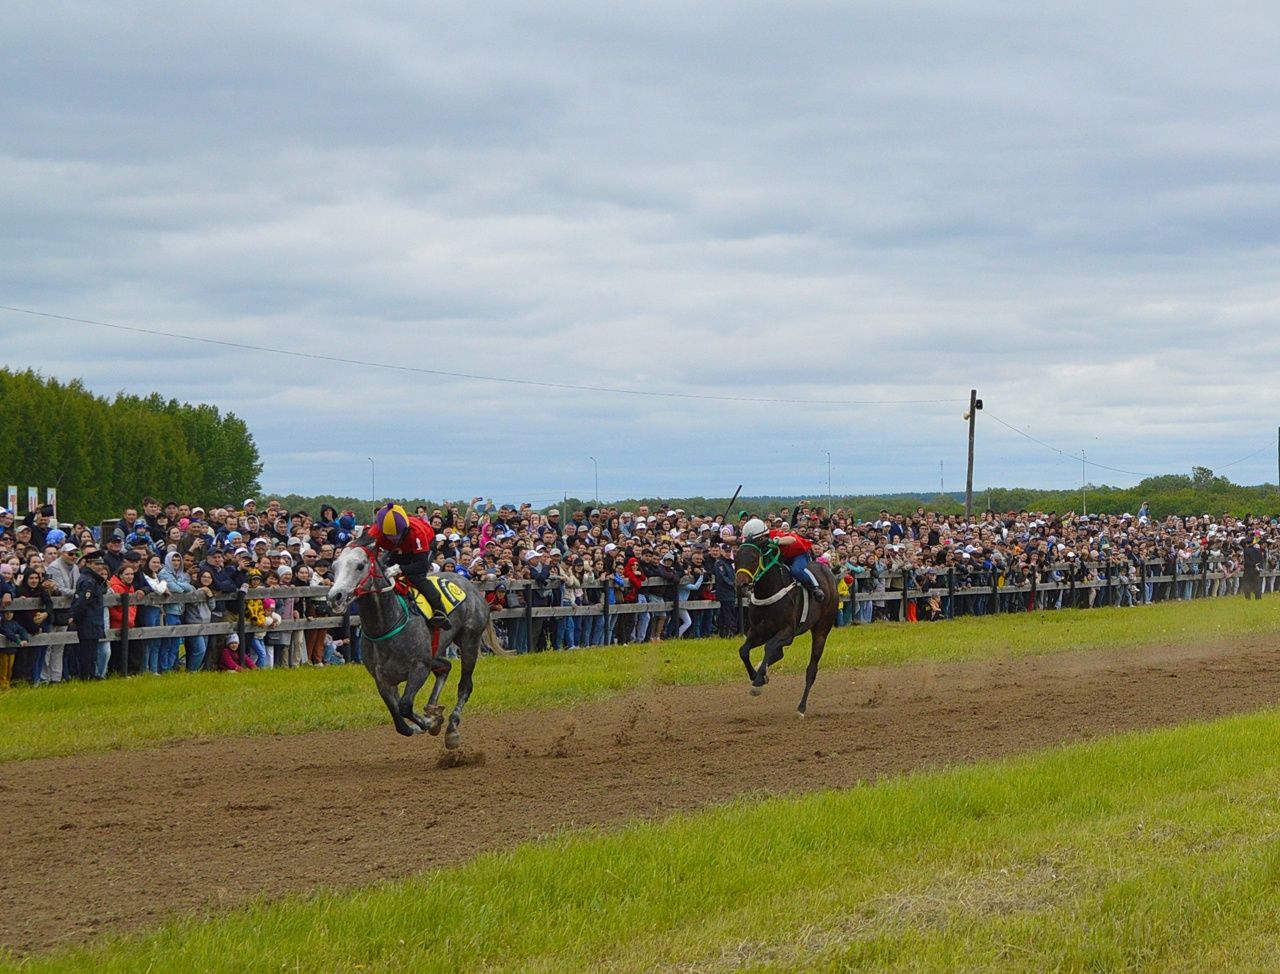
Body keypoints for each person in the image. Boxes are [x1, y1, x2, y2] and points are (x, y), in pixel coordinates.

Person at [366, 503, 451, 630]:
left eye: (396, 535)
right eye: (390, 536)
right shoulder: (375, 531)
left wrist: (400, 568)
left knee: (417, 577)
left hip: (424, 544)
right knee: (383, 574)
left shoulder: (417, 532)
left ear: (405, 529)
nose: (394, 538)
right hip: (399, 548)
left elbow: (421, 566)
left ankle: (440, 610)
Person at [741, 517, 825, 601]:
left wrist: (776, 541)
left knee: (796, 570)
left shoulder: (775, 534)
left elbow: (792, 539)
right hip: (785, 556)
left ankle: (814, 587)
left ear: (762, 535)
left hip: (799, 554)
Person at [67, 549, 108, 680]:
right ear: (89, 564)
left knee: (91, 653)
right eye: (96, 564)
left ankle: (90, 675)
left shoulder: (93, 579)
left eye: (101, 564)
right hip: (88, 622)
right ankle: (86, 677)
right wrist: (75, 619)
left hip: (93, 621)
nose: (99, 567)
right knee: (86, 654)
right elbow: (82, 603)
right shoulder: (88, 581)